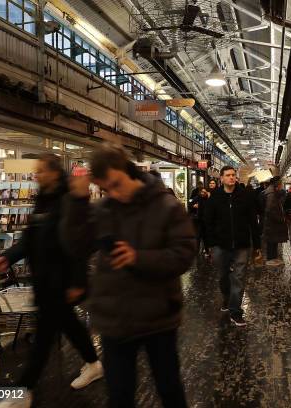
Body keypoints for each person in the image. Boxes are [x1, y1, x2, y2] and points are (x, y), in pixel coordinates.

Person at [62, 144, 196, 408]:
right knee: (120, 395)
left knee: (169, 389)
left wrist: (139, 258)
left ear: (127, 170)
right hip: (114, 319)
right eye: (105, 188)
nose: (114, 193)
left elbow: (185, 254)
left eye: (116, 184)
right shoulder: (104, 209)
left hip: (158, 317)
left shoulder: (166, 206)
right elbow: (75, 246)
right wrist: (76, 204)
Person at [0, 154, 102, 408]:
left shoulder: (68, 200)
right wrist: (7, 257)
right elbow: (30, 239)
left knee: (42, 340)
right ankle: (94, 363)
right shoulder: (43, 200)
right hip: (44, 281)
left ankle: (23, 393)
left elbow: (78, 245)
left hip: (59, 282)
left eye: (40, 171)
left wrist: (75, 282)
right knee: (69, 325)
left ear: (53, 172)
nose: (36, 175)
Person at [205, 166, 260, 327]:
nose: (231, 178)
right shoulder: (214, 197)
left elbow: (252, 222)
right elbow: (208, 222)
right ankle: (227, 297)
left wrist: (256, 245)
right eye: (228, 175)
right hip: (220, 245)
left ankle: (235, 311)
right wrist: (209, 244)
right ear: (221, 178)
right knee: (223, 276)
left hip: (242, 245)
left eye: (233, 175)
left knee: (239, 278)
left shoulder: (245, 196)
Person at [262, 176, 288, 267]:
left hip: (271, 222)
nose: (281, 184)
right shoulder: (271, 193)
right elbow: (270, 209)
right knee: (271, 241)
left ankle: (273, 258)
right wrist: (280, 219)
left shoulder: (273, 191)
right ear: (277, 183)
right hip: (272, 222)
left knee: (273, 240)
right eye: (281, 182)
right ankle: (270, 259)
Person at [196, 187, 210, 257]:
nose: (203, 193)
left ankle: (207, 250)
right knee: (199, 236)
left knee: (205, 237)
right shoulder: (199, 198)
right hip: (200, 220)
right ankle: (197, 251)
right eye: (202, 192)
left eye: (204, 192)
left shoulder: (209, 199)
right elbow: (190, 203)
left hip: (207, 221)